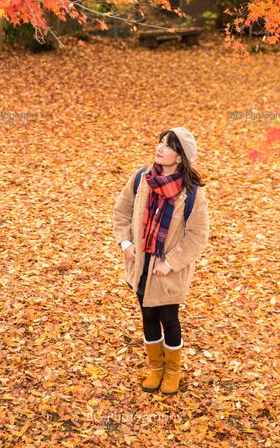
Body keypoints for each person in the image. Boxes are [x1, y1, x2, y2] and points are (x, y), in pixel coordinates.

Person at [112, 126, 210, 395]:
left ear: (179, 156)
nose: (160, 148)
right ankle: (156, 369)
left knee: (169, 318)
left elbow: (198, 236)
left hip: (168, 271)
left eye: (167, 145)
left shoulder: (192, 193)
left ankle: (173, 372)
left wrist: (171, 263)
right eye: (160, 142)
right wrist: (126, 243)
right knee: (148, 316)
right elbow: (121, 212)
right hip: (141, 265)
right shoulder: (141, 179)